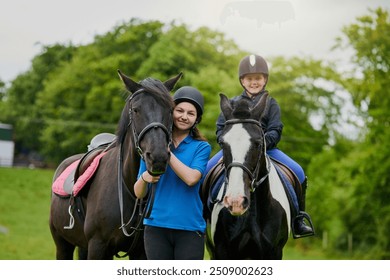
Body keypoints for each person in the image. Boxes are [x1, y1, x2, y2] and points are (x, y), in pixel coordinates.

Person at [212, 54, 314, 238]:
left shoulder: (271, 103)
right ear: (242, 81)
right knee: (206, 170)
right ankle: (203, 214)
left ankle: (298, 220)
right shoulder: (232, 103)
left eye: (258, 78)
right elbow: (220, 129)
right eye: (249, 78)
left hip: (266, 149)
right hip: (234, 151)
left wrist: (259, 145)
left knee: (298, 171)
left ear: (265, 79)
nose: (254, 82)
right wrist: (227, 143)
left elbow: (276, 128)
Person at [134, 86, 211, 259]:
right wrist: (145, 178)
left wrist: (166, 153)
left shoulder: (201, 147)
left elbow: (191, 179)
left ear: (197, 119)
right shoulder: (151, 146)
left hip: (190, 229)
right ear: (170, 112)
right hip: (155, 227)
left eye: (191, 113)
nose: (184, 116)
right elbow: (139, 193)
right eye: (180, 110)